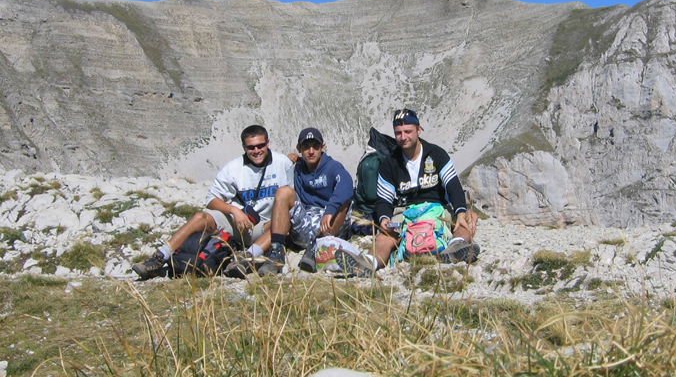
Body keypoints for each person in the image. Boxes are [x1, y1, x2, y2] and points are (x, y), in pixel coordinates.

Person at [132, 125, 295, 280]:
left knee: (282, 223)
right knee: (200, 217)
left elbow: (293, 195)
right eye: (251, 147)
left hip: (265, 224)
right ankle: (159, 258)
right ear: (244, 147)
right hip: (237, 222)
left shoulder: (282, 163)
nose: (256, 151)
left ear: (267, 143)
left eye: (260, 145)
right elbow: (211, 199)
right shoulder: (233, 168)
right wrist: (234, 210)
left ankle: (245, 259)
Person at [335, 109, 479, 277]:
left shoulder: (437, 154)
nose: (403, 137)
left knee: (469, 216)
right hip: (405, 212)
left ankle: (456, 246)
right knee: (385, 236)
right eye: (398, 133)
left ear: (419, 130)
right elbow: (384, 200)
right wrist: (384, 219)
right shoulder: (389, 163)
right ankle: (368, 263)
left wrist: (460, 210)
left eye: (408, 131)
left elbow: (453, 185)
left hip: (437, 208)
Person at [225, 127, 354, 277]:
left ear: (322, 147)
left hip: (329, 228)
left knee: (345, 202)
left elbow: (346, 186)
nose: (311, 151)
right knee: (283, 192)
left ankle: (318, 248)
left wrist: (330, 210)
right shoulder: (297, 167)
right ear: (299, 149)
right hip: (306, 223)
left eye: (315, 146)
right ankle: (271, 252)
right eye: (306, 147)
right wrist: (290, 160)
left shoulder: (333, 167)